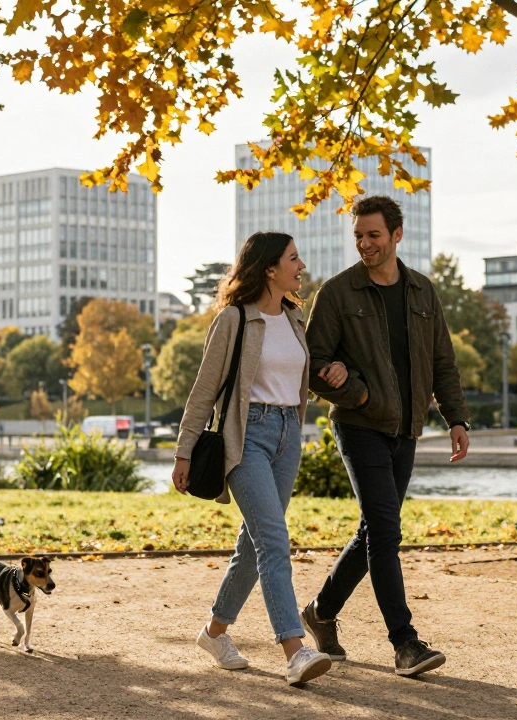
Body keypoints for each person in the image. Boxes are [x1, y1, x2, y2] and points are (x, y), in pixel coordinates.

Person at [302, 195, 471, 677]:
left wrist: (455, 418)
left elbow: (443, 361)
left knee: (373, 531)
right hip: (359, 425)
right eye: (358, 235)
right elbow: (311, 363)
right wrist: (352, 391)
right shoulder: (337, 293)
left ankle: (319, 611)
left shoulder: (422, 292)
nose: (365, 243)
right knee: (386, 531)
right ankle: (405, 643)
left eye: (373, 234)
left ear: (397, 234)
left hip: (406, 428)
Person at [172, 231, 332, 686]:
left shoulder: (294, 318)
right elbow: (205, 390)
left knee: (255, 542)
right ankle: (294, 649)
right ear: (269, 268)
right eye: (293, 258)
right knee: (275, 541)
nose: (300, 266)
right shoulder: (234, 320)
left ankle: (214, 632)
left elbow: (300, 377)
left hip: (288, 436)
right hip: (246, 438)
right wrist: (184, 450)